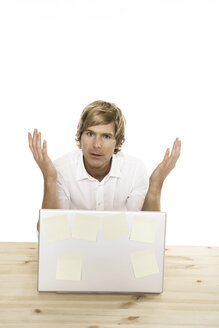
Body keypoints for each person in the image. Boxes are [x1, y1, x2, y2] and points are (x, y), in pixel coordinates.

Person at [28, 100, 181, 232]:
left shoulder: (134, 170)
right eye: (90, 134)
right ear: (80, 136)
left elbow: (146, 232)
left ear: (118, 142)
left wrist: (156, 183)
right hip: (74, 252)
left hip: (121, 251)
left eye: (106, 136)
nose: (96, 145)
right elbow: (50, 234)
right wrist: (49, 178)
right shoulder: (61, 169)